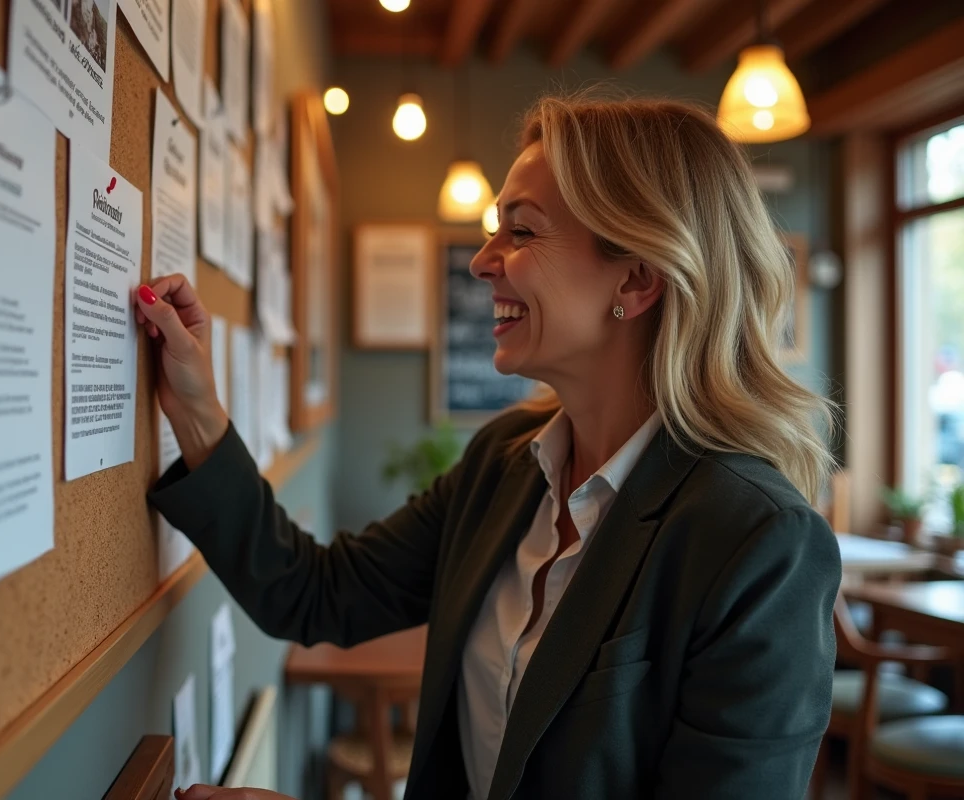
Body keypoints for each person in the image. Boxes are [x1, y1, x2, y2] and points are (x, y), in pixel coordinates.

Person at [135, 93, 841, 800]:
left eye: (521, 233)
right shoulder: (504, 462)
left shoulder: (760, 545)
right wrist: (197, 413)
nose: (481, 261)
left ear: (635, 277)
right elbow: (316, 593)